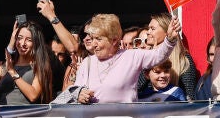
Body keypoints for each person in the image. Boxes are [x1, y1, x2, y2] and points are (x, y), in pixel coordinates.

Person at [51, 13, 180, 104]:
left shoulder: (132, 56)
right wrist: (78, 94)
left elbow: (159, 55)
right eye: (93, 38)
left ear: (114, 40)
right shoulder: (87, 62)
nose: (94, 43)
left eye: (99, 39)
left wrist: (170, 39)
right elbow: (74, 90)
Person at [0, 21, 53, 104]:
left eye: (29, 40)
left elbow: (33, 96)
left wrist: (12, 72)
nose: (22, 43)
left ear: (36, 43)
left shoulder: (40, 66)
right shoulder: (4, 66)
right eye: (19, 38)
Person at [138, 13, 197, 100]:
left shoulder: (184, 60)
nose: (148, 32)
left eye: (152, 29)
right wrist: (151, 59)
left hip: (174, 110)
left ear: (167, 31)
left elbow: (190, 98)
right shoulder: (146, 56)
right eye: (148, 28)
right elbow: (136, 88)